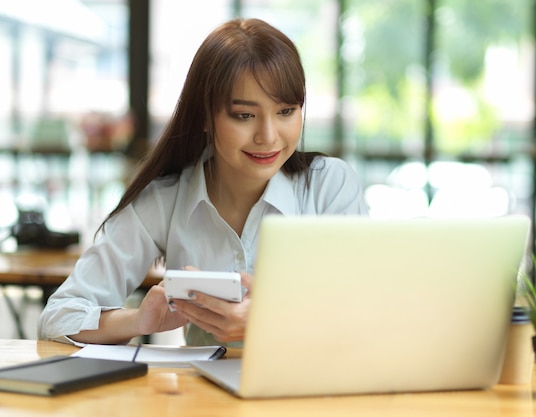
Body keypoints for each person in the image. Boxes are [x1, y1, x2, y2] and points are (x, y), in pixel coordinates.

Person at [37, 18, 368, 347]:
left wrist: (269, 319)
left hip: (313, 392)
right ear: (206, 117)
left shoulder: (329, 185)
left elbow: (368, 310)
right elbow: (59, 316)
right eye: (244, 115)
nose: (268, 136)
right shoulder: (166, 199)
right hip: (203, 397)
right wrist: (138, 320)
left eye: (285, 111)